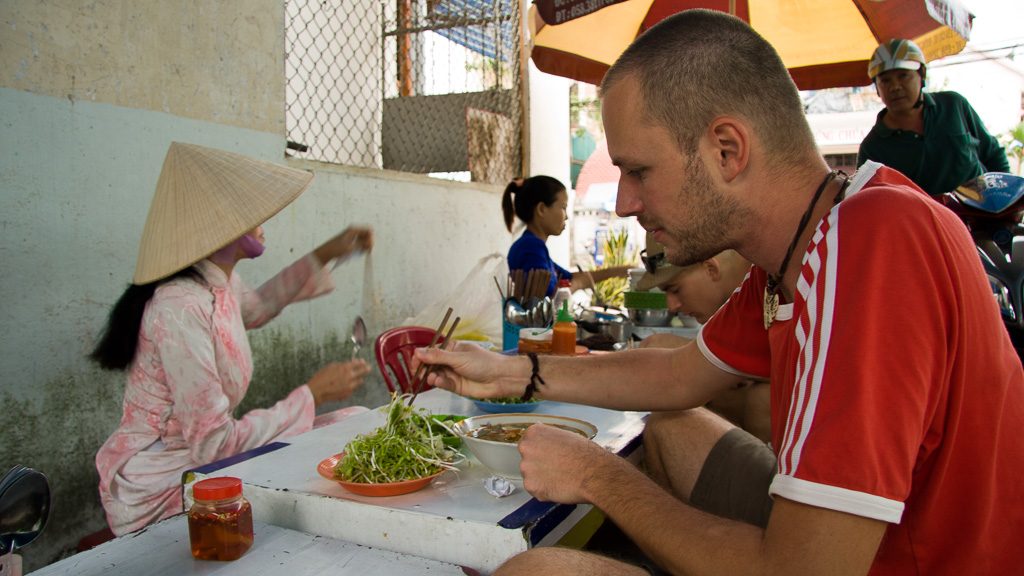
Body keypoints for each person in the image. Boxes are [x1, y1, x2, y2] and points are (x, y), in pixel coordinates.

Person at [418, 10, 1024, 575]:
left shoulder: (873, 245)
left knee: (535, 570)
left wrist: (598, 476)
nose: (624, 202)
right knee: (673, 424)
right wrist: (506, 372)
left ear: (727, 150)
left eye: (639, 171)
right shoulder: (803, 246)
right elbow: (676, 376)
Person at [90, 142, 374, 536]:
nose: (263, 221)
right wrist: (312, 394)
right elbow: (214, 447)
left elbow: (258, 306)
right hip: (166, 485)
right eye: (251, 213)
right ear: (219, 225)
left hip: (204, 460)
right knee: (334, 451)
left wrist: (328, 250)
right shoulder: (180, 309)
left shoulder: (216, 284)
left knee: (356, 421)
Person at [635, 234, 769, 444]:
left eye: (675, 289)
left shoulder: (780, 285)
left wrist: (688, 355)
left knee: (761, 400)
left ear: (710, 268)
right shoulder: (745, 302)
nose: (672, 306)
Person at [857, 38, 1010, 196]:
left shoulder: (954, 105)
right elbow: (873, 201)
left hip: (982, 215)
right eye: (885, 80)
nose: (895, 87)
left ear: (921, 74)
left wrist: (1008, 198)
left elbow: (993, 154)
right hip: (925, 220)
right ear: (877, 87)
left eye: (903, 76)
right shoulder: (872, 149)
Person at [503, 176, 629, 297]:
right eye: (563, 207)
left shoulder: (535, 246)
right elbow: (547, 302)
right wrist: (578, 284)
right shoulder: (530, 247)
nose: (567, 217)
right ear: (541, 209)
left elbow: (570, 278)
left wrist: (618, 271)